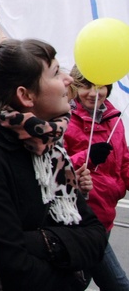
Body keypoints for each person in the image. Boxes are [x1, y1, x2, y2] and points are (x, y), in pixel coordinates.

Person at [0, 39, 107, 291]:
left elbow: (95, 235)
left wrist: (39, 242)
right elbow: (12, 266)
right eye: (55, 72)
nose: (68, 80)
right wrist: (71, 270)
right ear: (26, 95)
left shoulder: (49, 142)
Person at [63, 65, 129, 290]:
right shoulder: (64, 119)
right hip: (83, 220)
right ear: (75, 86)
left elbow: (124, 162)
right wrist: (88, 156)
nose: (94, 92)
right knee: (119, 285)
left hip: (107, 216)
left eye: (101, 86)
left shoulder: (114, 118)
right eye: (86, 86)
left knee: (78, 283)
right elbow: (54, 166)